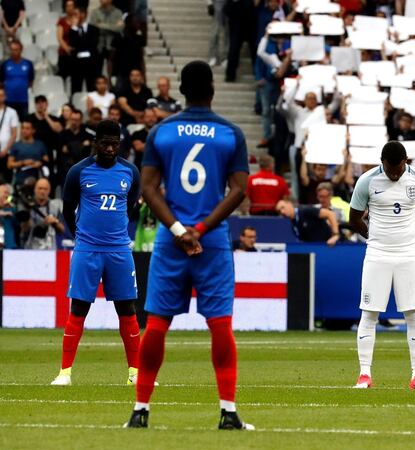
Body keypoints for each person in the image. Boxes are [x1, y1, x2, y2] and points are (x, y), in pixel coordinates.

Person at [125, 61, 253, 430]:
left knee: (158, 324)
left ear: (180, 89)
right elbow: (240, 189)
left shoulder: (162, 132)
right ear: (212, 89)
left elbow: (148, 188)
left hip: (170, 239)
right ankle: (228, 413)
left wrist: (180, 229)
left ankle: (140, 412)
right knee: (220, 325)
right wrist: (200, 228)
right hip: (210, 240)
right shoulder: (230, 133)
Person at [50, 120, 142, 387]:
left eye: (115, 143)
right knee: (78, 308)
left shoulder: (130, 172)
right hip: (87, 249)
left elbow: (131, 206)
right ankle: (64, 373)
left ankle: (135, 373)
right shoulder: (79, 172)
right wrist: (80, 236)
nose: (110, 148)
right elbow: (68, 209)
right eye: (105, 143)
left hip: (119, 250)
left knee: (127, 309)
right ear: (96, 142)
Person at [348, 141, 415, 390]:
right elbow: (354, 218)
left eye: (398, 169)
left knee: (413, 313)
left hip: (408, 254)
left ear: (405, 161)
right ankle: (364, 375)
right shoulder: (367, 181)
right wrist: (376, 239)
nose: (394, 174)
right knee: (369, 313)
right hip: (377, 254)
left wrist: (405, 239)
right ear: (382, 162)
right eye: (389, 169)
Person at [20, 178, 65, 249]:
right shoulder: (28, 206)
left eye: (45, 189)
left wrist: (54, 222)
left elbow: (62, 229)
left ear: (49, 191)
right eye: (40, 188)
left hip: (50, 249)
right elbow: (24, 229)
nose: (42, 191)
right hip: (30, 249)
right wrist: (41, 223)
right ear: (35, 189)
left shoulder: (55, 207)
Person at [276, 197, 340, 246]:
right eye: (279, 211)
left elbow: (330, 214)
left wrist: (335, 235)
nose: (282, 212)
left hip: (332, 246)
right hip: (316, 249)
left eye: (283, 207)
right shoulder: (293, 224)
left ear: (289, 203)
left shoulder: (306, 210)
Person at [67, 7, 101, 95]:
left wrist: (80, 43)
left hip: (91, 63)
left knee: (92, 88)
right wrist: (74, 27)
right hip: (76, 64)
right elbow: (72, 43)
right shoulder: (72, 30)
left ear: (83, 14)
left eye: (76, 14)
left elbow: (92, 44)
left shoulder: (94, 29)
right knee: (75, 89)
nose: (74, 17)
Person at [28, 96, 64, 172]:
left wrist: (46, 116)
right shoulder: (30, 118)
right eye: (38, 103)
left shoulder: (53, 118)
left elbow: (59, 129)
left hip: (49, 151)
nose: (40, 105)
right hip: (34, 150)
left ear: (47, 104)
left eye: (43, 102)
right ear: (35, 105)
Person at [8, 119, 48, 185]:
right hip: (20, 181)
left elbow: (46, 160)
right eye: (22, 128)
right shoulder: (16, 145)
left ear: (33, 130)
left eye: (27, 128)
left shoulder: (40, 145)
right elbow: (9, 164)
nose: (24, 131)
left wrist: (39, 163)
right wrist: (23, 162)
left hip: (37, 180)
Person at [0, 39, 34, 118]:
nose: (14, 52)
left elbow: (31, 81)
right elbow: (1, 83)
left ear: (21, 50)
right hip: (8, 101)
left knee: (24, 124)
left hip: (23, 101)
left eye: (16, 50)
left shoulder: (28, 64)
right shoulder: (5, 64)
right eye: (12, 50)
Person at [89, 0, 123, 74]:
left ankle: (110, 83)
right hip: (98, 45)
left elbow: (119, 28)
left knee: (113, 69)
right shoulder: (95, 12)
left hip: (112, 45)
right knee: (96, 70)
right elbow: (92, 28)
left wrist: (101, 25)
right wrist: (112, 26)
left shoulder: (118, 12)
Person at [0, 88, 20, 184]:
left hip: (6, 152)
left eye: (1, 95)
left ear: (5, 97)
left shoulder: (11, 112)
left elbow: (14, 133)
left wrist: (6, 150)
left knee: (6, 180)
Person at [0, 183, 16, 248]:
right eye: (5, 192)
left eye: (8, 194)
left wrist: (12, 208)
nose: (7, 195)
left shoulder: (11, 209)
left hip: (9, 247)